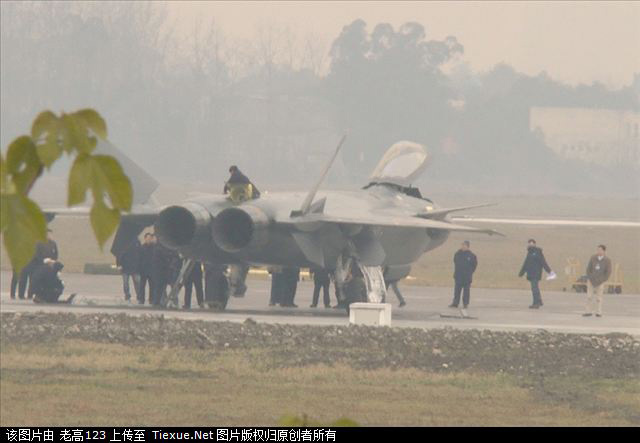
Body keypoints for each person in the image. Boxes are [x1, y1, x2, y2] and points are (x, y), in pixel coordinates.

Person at [518, 239, 552, 309]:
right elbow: (526, 263)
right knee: (535, 288)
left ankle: (536, 303)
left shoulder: (538, 252)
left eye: (532, 243)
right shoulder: (529, 253)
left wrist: (549, 271)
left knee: (534, 288)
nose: (531, 244)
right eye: (529, 243)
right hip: (530, 273)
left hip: (536, 273)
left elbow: (543, 262)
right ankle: (539, 301)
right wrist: (521, 273)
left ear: (535, 244)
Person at [583, 245, 612, 317]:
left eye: (600, 250)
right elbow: (588, 269)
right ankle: (588, 311)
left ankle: (598, 312)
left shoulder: (607, 260)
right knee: (589, 297)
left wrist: (602, 280)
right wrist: (590, 277)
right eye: (598, 250)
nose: (598, 251)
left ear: (604, 251)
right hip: (591, 281)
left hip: (600, 282)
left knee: (599, 298)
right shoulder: (593, 258)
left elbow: (608, 272)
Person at [449, 240, 478, 309]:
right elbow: (455, 261)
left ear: (468, 246)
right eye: (462, 245)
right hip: (458, 276)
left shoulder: (472, 256)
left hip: (467, 277)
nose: (462, 246)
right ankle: (455, 303)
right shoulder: (457, 254)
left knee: (466, 292)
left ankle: (465, 304)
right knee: (457, 291)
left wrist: (470, 272)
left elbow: (474, 265)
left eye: (464, 245)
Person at [116, 238, 142, 303]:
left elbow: (140, 254)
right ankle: (127, 296)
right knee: (126, 283)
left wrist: (140, 265)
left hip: (135, 267)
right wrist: (119, 265)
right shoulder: (123, 242)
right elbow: (118, 254)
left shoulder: (137, 241)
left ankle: (139, 297)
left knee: (137, 283)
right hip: (125, 267)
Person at [138, 233, 156, 304]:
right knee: (142, 286)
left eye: (150, 238)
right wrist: (139, 268)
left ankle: (151, 299)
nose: (148, 240)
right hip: (143, 270)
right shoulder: (142, 248)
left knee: (152, 286)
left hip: (152, 270)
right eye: (147, 238)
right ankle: (141, 299)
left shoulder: (154, 248)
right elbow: (139, 259)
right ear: (145, 239)